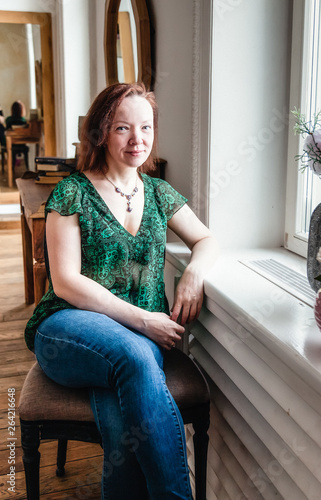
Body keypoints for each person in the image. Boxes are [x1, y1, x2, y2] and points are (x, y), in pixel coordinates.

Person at [25, 82, 220, 500]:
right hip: (69, 329)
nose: (138, 140)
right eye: (122, 128)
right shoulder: (72, 191)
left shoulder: (159, 193)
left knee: (121, 425)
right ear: (100, 133)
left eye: (146, 127)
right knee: (131, 356)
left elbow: (207, 240)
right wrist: (144, 319)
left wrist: (193, 273)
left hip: (140, 339)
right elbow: (66, 282)